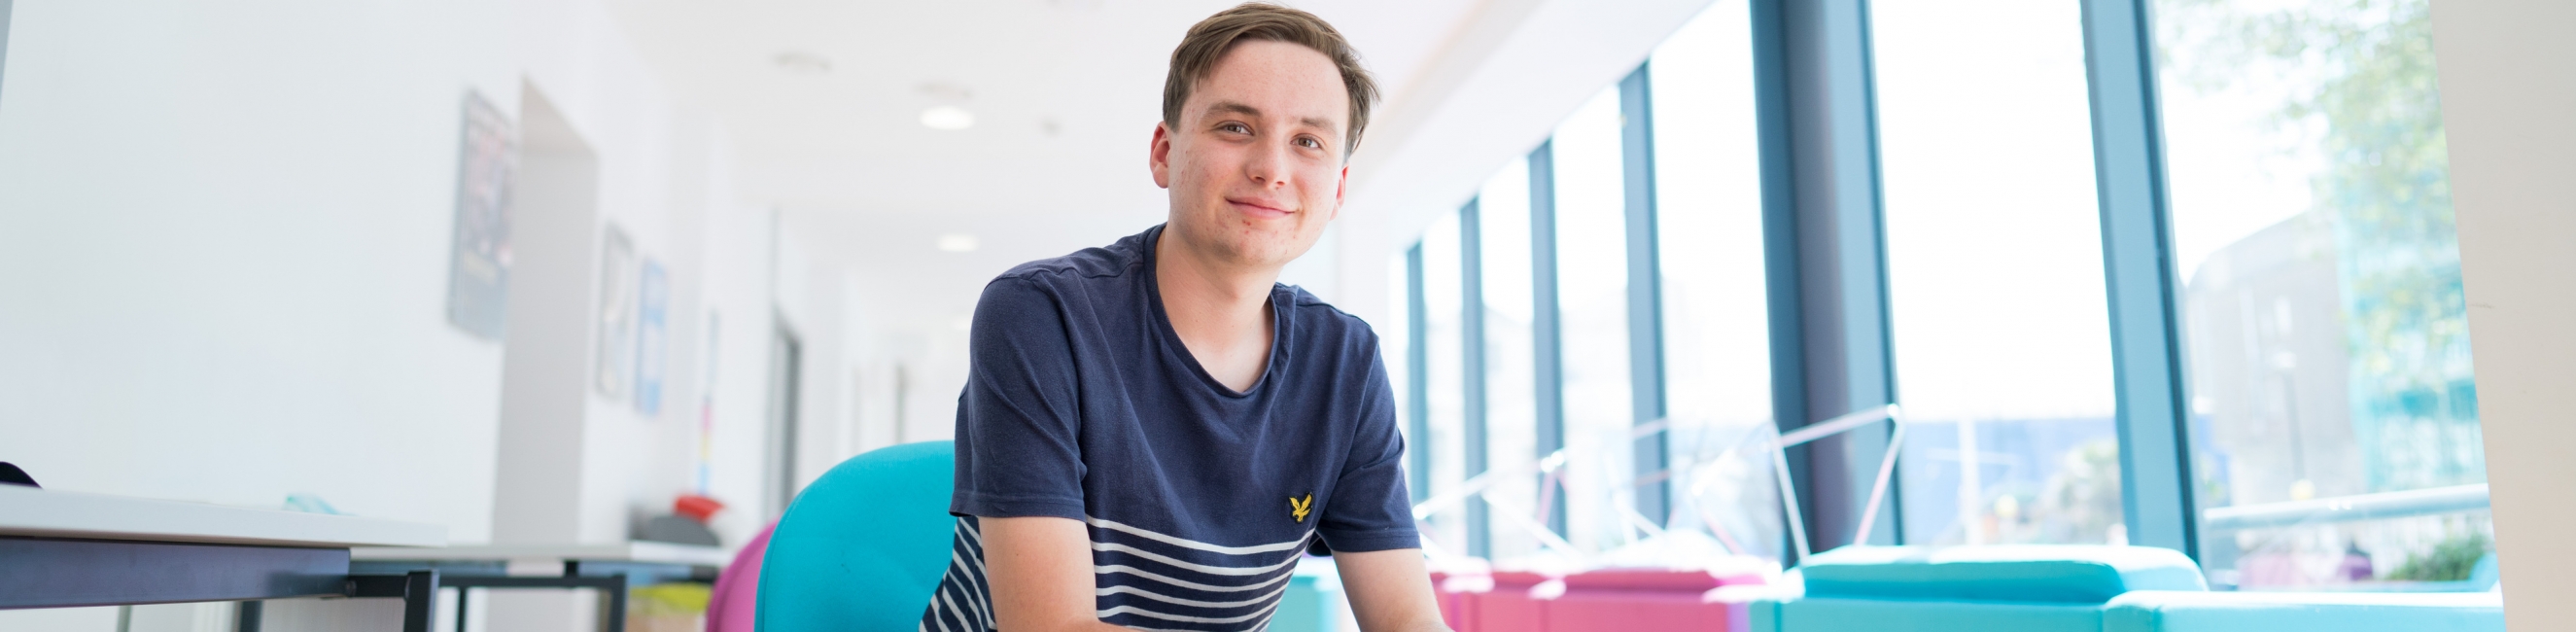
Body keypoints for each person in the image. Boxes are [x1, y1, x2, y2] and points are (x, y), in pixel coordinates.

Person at [917, 4, 1449, 631]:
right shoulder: (1041, 314)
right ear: (1165, 152)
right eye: (1235, 127)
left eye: (1308, 141)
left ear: (1336, 189)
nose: (1272, 169)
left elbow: (1408, 621)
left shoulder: (1344, 363)